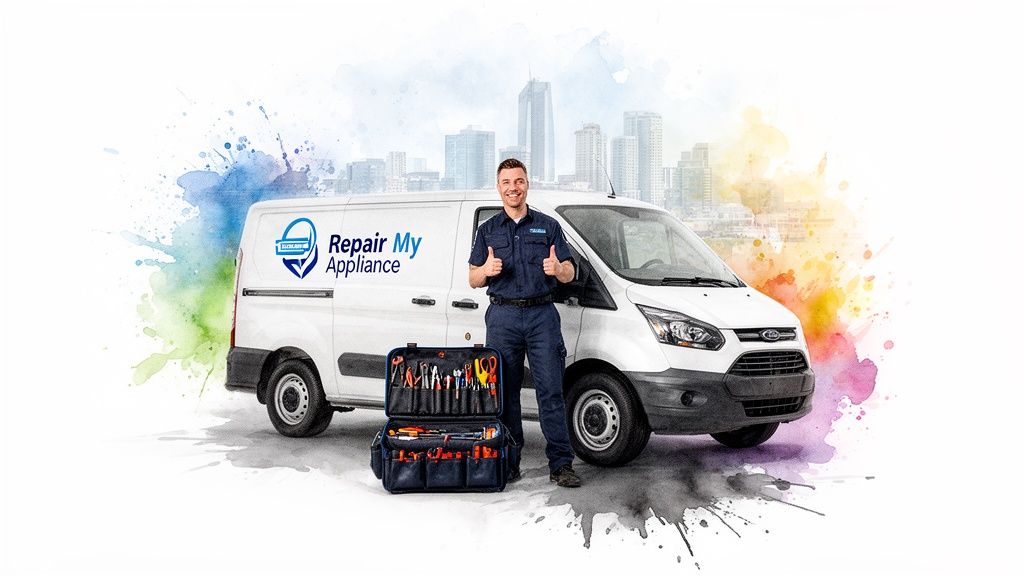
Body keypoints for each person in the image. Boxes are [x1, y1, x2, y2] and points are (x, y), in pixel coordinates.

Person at [468, 158, 582, 488]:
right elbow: (472, 277)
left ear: (527, 184)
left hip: (541, 316)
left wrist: (559, 270)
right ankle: (509, 462)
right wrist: (485, 272)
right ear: (498, 187)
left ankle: (561, 465)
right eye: (506, 182)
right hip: (502, 317)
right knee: (505, 393)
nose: (513, 187)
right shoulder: (487, 230)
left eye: (518, 181)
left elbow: (570, 270)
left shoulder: (547, 226)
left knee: (551, 393)